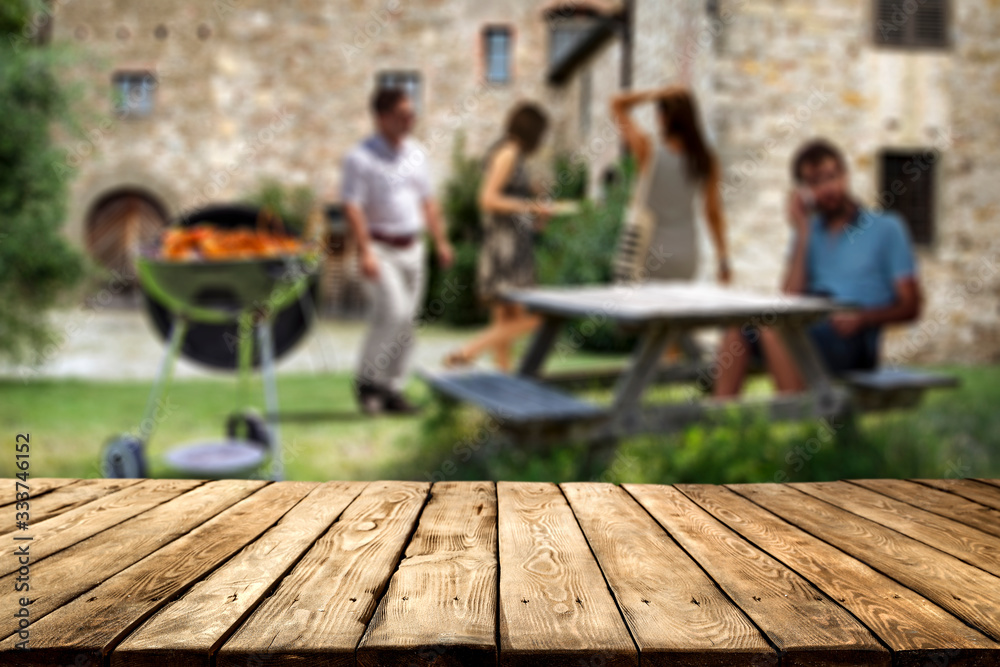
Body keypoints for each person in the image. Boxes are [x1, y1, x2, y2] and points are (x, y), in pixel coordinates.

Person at [712, 138, 922, 396]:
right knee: (740, 325)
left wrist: (863, 318)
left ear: (845, 176)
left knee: (773, 329)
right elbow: (789, 299)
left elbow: (911, 307)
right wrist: (802, 231)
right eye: (814, 183)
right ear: (803, 192)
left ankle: (800, 421)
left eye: (831, 177)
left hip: (853, 341)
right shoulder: (809, 233)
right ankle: (720, 421)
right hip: (809, 328)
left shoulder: (887, 228)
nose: (827, 188)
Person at [342, 88, 454, 414]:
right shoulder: (360, 158)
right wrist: (364, 252)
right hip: (380, 248)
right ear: (382, 118)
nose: (410, 120)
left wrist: (441, 242)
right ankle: (367, 383)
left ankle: (392, 390)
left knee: (408, 322)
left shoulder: (417, 154)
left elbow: (428, 202)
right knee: (393, 312)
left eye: (412, 113)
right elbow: (352, 207)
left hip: (413, 248)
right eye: (403, 114)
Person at [442, 102, 555, 371]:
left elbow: (508, 206)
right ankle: (467, 351)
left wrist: (537, 215)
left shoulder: (512, 156)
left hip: (509, 244)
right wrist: (528, 206)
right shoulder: (508, 153)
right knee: (538, 318)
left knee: (505, 325)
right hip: (506, 251)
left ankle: (504, 396)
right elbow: (487, 199)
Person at [610, 85, 730, 284]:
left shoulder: (647, 149)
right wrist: (723, 258)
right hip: (686, 255)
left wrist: (657, 93)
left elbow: (616, 103)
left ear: (663, 116)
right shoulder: (706, 159)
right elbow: (712, 212)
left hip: (647, 251)